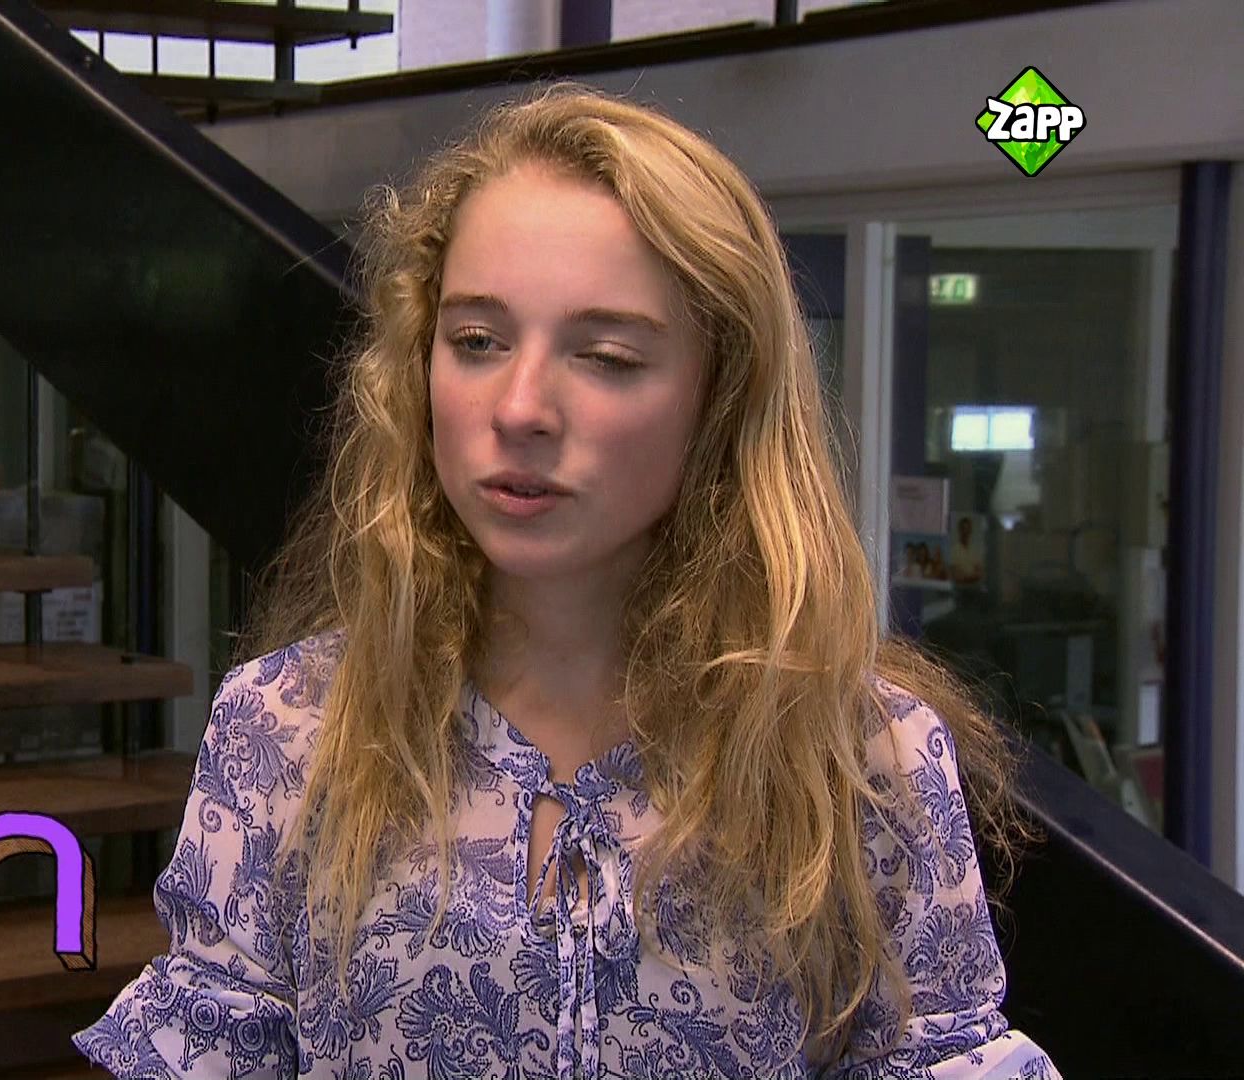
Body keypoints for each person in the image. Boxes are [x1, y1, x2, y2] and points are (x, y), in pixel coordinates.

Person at [73, 83, 1057, 1078]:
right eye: (476, 341)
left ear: (720, 395)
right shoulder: (288, 731)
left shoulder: (863, 761)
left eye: (606, 356)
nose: (520, 408)